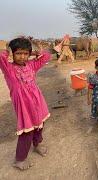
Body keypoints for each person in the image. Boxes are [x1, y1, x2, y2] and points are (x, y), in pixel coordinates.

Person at [0, 38, 51, 170]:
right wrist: (7, 51)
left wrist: (35, 51)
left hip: (38, 102)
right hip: (24, 106)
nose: (22, 56)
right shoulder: (9, 69)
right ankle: (20, 159)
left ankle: (37, 144)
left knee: (40, 124)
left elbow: (47, 56)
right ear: (12, 54)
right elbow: (1, 56)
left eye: (25, 53)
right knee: (27, 131)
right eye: (18, 53)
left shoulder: (31, 65)